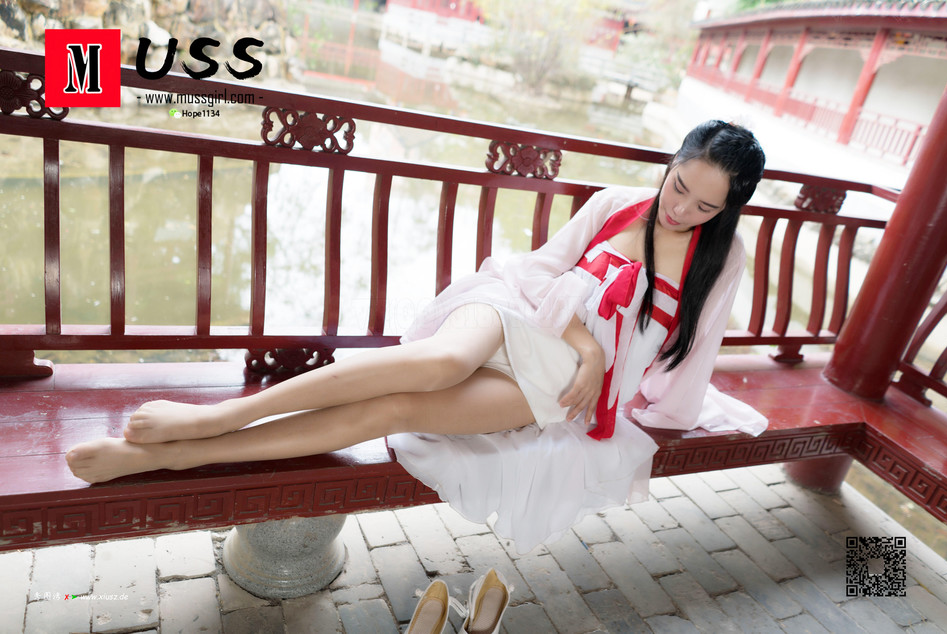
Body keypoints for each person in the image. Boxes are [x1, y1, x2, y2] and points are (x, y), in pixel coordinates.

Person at [66, 120, 768, 551]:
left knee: (396, 410)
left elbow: (693, 353)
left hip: (560, 381)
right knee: (438, 362)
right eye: (679, 185)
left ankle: (182, 458)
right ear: (672, 162)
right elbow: (538, 272)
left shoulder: (722, 259)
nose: (681, 209)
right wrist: (585, 339)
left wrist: (661, 410)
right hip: (515, 312)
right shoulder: (616, 204)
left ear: (729, 208)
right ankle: (215, 417)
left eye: (705, 205)